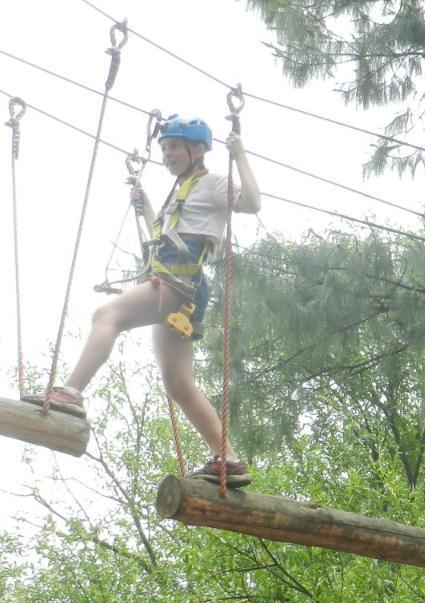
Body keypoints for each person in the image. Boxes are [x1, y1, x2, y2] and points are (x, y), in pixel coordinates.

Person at [27, 115, 261, 487]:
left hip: (178, 284)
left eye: (173, 148)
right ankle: (228, 459)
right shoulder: (182, 190)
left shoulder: (213, 183)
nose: (166, 155)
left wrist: (240, 153)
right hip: (180, 288)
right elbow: (167, 235)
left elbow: (252, 202)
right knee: (177, 381)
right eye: (164, 148)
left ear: (197, 150)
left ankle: (69, 393)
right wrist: (146, 204)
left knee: (108, 315)